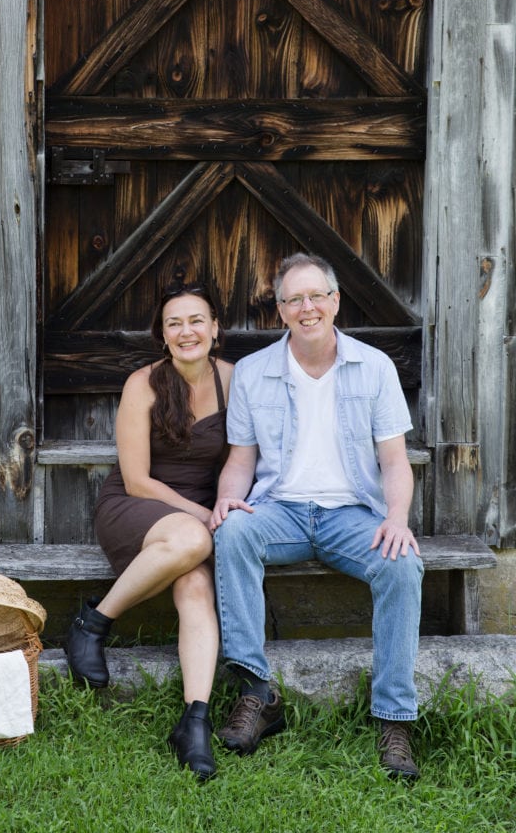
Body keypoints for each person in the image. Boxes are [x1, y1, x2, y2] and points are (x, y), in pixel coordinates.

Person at [210, 252, 424, 779]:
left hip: (351, 515)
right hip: (279, 510)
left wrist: (396, 518)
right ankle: (257, 692)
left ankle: (394, 720)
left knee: (401, 566)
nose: (307, 308)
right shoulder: (254, 373)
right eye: (293, 299)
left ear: (334, 301)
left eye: (316, 296)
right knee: (233, 531)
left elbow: (394, 461)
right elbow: (240, 460)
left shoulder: (373, 367)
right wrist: (226, 500)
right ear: (279, 310)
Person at [64, 281, 233, 781]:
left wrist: (221, 506)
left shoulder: (235, 380)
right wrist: (201, 517)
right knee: (192, 541)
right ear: (162, 335)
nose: (187, 331)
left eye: (196, 320)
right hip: (135, 506)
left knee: (197, 585)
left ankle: (194, 722)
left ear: (215, 327)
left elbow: (245, 457)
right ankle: (91, 623)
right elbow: (138, 479)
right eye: (174, 323)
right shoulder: (145, 383)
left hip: (196, 513)